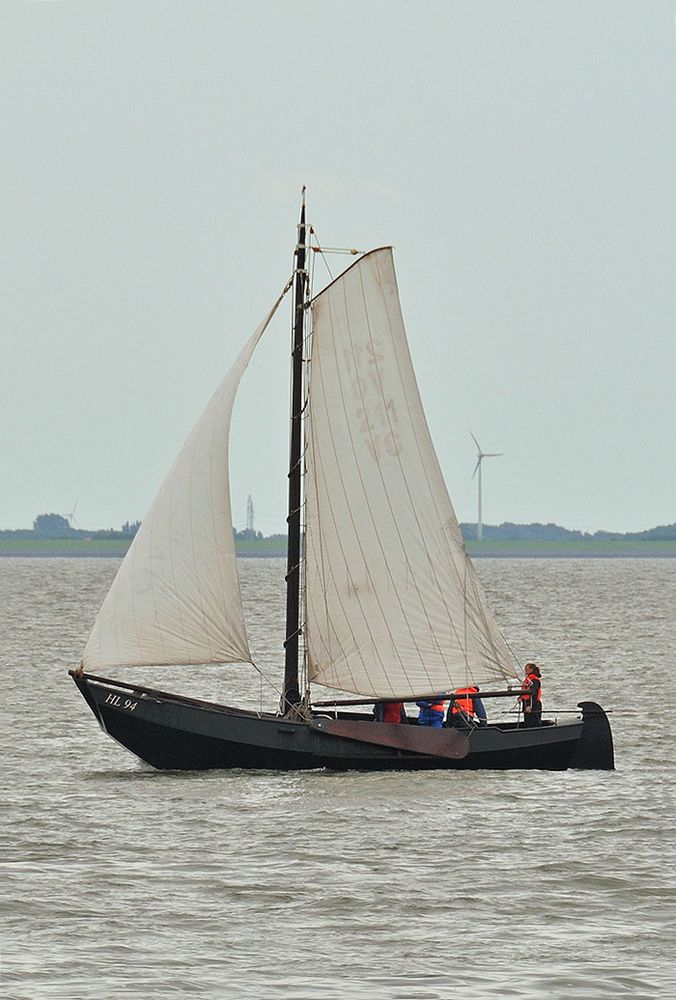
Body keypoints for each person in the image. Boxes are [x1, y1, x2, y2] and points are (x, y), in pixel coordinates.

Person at [520, 662, 542, 727]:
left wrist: (530, 706)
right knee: (527, 722)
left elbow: (533, 693)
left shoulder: (534, 680)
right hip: (526, 702)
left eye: (527, 669)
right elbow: (525, 691)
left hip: (533, 704)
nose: (525, 670)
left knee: (534, 723)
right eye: (525, 669)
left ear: (532, 670)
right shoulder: (528, 679)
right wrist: (520, 697)